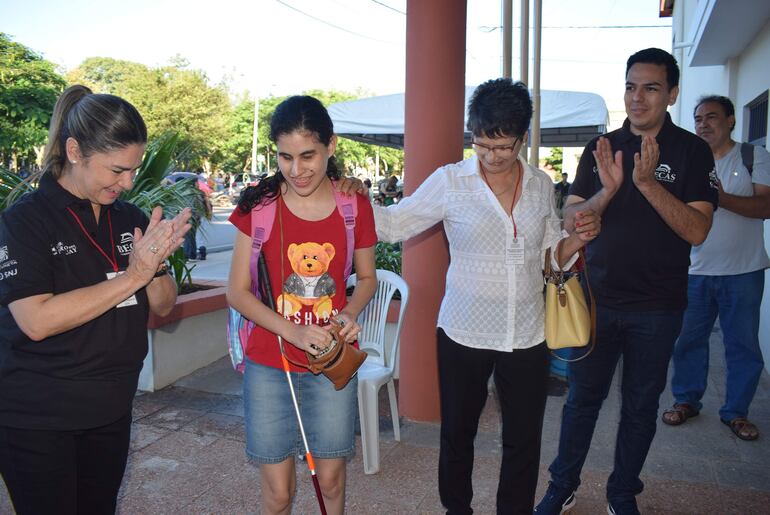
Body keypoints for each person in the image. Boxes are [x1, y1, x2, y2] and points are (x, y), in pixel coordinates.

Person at [371, 78, 599, 514]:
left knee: (523, 437)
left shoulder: (538, 184)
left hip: (528, 332)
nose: (492, 157)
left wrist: (575, 241)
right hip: (463, 329)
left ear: (522, 138)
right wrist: (348, 201)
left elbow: (551, 255)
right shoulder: (450, 181)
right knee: (458, 432)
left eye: (504, 147)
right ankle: (458, 509)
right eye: (481, 145)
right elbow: (393, 225)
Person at [535, 48, 718, 515]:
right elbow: (570, 217)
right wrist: (608, 191)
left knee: (640, 407)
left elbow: (697, 229)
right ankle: (563, 484)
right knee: (581, 402)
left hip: (659, 307)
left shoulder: (692, 151)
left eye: (651, 88)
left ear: (672, 93)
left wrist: (649, 184)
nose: (638, 98)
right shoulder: (603, 146)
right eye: (631, 86)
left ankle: (622, 493)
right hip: (597, 300)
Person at [0, 85, 191, 514]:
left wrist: (156, 265)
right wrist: (134, 274)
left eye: (133, 171)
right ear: (74, 151)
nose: (127, 183)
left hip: (110, 406)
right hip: (39, 416)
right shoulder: (26, 220)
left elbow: (162, 306)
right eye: (116, 170)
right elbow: (36, 320)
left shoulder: (130, 217)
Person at [226, 95, 377, 515]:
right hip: (270, 364)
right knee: (278, 494)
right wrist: (292, 331)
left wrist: (348, 314)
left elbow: (367, 279)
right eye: (285, 157)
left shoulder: (353, 204)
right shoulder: (258, 209)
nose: (297, 170)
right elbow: (237, 292)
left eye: (308, 155)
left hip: (331, 361)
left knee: (330, 481)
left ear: (330, 146)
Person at [661, 95, 770, 441]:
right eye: (697, 119)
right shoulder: (688, 159)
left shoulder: (753, 157)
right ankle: (687, 400)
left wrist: (720, 198)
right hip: (693, 271)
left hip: (743, 271)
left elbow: (766, 206)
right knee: (688, 341)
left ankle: (736, 412)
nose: (703, 124)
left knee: (743, 346)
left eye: (711, 117)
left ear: (731, 120)